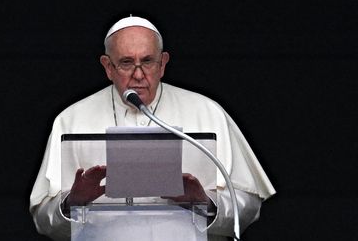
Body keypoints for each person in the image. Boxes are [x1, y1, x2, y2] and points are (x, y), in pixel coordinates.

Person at [30, 16, 276, 241]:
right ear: (107, 67)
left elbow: (249, 205)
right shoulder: (71, 119)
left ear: (163, 63)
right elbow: (43, 219)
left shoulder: (209, 112)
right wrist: (73, 202)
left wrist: (205, 202)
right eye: (126, 63)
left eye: (147, 61)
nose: (139, 75)